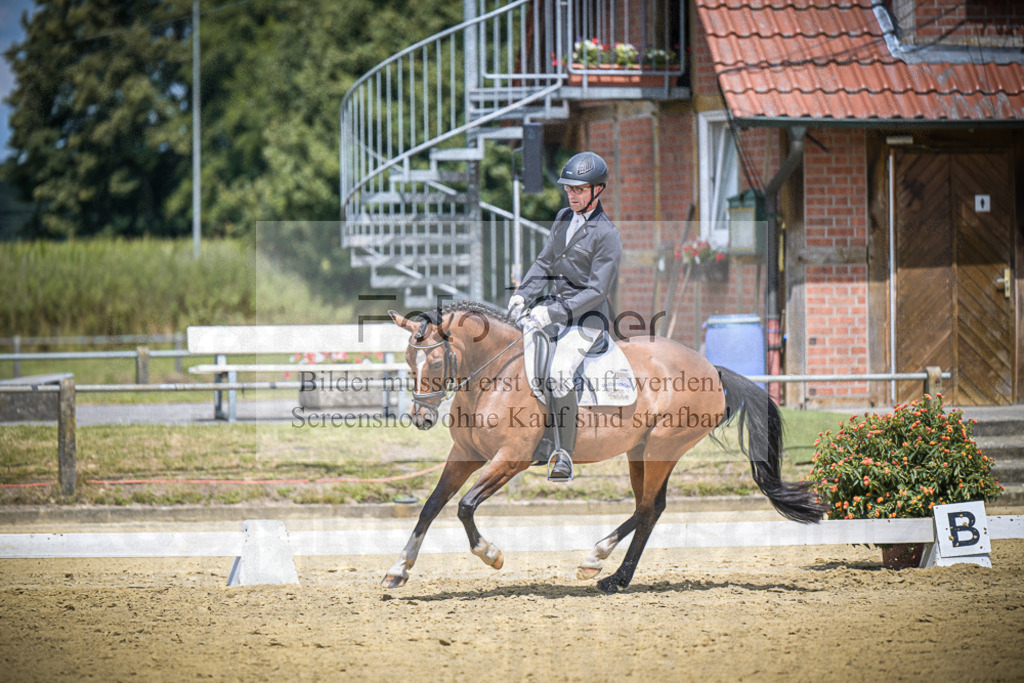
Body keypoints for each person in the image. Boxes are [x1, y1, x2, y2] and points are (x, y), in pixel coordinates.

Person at [507, 151, 622, 480]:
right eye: (568, 189)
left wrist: (552, 313)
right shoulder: (561, 218)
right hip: (552, 314)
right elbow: (544, 263)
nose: (571, 195)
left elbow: (596, 291)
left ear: (597, 190)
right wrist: (522, 295)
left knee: (558, 372)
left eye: (578, 189)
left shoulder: (607, 234)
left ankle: (563, 455)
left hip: (588, 321)